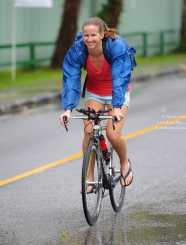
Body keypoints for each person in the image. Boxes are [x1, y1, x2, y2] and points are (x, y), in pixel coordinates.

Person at [59, 17, 136, 187]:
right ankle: (90, 176)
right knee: (89, 132)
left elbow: (120, 77)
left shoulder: (116, 47)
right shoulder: (78, 50)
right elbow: (71, 79)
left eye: (93, 35)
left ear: (102, 34)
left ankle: (125, 163)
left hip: (118, 92)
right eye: (86, 35)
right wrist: (68, 110)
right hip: (95, 93)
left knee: (113, 136)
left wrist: (116, 108)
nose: (89, 39)